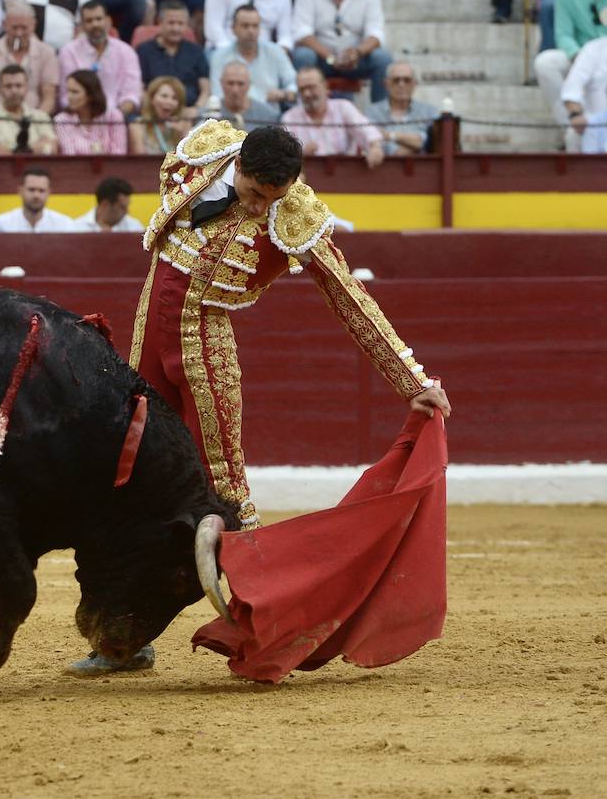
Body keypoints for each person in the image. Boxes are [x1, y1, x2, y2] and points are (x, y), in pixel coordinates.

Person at [70, 119, 450, 675]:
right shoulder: (204, 152)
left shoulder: (294, 214)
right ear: (238, 166)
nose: (259, 208)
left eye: (272, 198)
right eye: (252, 193)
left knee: (225, 490)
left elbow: (349, 297)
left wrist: (411, 382)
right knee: (134, 481)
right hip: (149, 333)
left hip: (207, 351)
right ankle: (123, 638)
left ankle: (267, 630)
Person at [291, 0, 391, 103]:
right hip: (322, 59)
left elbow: (376, 34)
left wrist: (357, 53)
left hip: (356, 60)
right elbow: (302, 32)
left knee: (383, 59)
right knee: (303, 56)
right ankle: (301, 113)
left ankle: (380, 114)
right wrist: (330, 57)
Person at [534, 0, 607, 132]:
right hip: (578, 55)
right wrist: (581, 58)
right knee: (545, 62)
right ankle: (569, 124)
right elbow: (563, 34)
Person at [281, 65, 383, 167]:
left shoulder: (343, 107)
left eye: (311, 87)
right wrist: (300, 156)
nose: (307, 94)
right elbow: (283, 158)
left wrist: (375, 147)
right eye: (302, 89)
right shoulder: (289, 118)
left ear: (325, 86)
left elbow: (367, 130)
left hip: (345, 175)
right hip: (308, 176)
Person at [58, 0, 141, 116]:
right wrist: (88, 117)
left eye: (99, 19)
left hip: (118, 117)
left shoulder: (126, 52)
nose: (95, 24)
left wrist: (113, 118)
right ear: (81, 25)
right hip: (80, 116)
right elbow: (65, 96)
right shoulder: (69, 51)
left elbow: (131, 95)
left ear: (108, 21)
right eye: (89, 21)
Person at [0, 0, 59, 114]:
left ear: (33, 25)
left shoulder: (47, 52)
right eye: (14, 27)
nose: (19, 33)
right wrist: (5, 120)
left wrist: (35, 121)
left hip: (35, 118)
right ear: (4, 25)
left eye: (24, 28)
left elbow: (49, 98)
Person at [208, 3, 296, 111]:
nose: (251, 31)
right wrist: (262, 97)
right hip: (231, 117)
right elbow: (218, 95)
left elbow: (294, 83)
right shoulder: (219, 56)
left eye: (255, 26)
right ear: (233, 29)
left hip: (269, 119)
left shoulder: (275, 51)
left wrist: (285, 94)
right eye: (245, 26)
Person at [136, 0, 208, 110]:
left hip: (189, 115)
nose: (176, 28)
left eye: (180, 23)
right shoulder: (143, 50)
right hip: (153, 114)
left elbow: (205, 90)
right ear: (159, 23)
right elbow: (139, 87)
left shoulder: (196, 51)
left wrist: (195, 110)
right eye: (171, 23)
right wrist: (154, 111)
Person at [368, 62, 437, 157]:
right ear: (386, 84)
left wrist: (389, 136)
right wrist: (413, 144)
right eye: (396, 80)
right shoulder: (372, 112)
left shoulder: (429, 112)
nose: (401, 85)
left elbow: (424, 143)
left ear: (414, 84)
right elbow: (372, 143)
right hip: (383, 169)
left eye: (407, 80)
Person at [0, 63, 58, 153]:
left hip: (38, 166)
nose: (14, 91)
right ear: (0, 89)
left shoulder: (41, 116)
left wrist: (12, 151)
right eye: (8, 86)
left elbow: (52, 147)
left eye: (18, 86)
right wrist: (35, 148)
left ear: (26, 87)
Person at [54, 67, 127, 153]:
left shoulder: (114, 116)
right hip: (77, 166)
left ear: (91, 95)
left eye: (75, 92)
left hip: (110, 166)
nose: (69, 97)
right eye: (68, 91)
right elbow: (69, 154)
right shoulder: (61, 120)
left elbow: (119, 153)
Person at [0, 168, 76, 232]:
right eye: (31, 190)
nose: (36, 195)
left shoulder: (64, 225)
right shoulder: (2, 224)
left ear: (49, 193)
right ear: (20, 191)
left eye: (41, 190)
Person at [561, 33, 607, 150]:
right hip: (594, 124)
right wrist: (576, 115)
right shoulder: (593, 49)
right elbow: (571, 90)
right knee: (573, 134)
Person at [207, 60, 279, 131]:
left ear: (249, 84)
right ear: (221, 83)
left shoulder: (267, 116)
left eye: (240, 84)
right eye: (230, 83)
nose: (235, 89)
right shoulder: (208, 114)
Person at [131, 72, 189, 152]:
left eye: (174, 98)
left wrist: (182, 135)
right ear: (152, 99)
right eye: (164, 96)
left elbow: (189, 159)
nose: (169, 101)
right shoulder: (138, 126)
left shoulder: (184, 126)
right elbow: (140, 160)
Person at [74, 175, 143, 232]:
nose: (127, 211)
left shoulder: (134, 227)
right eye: (122, 207)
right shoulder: (77, 228)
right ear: (105, 204)